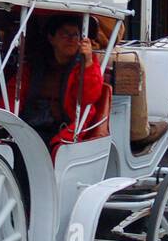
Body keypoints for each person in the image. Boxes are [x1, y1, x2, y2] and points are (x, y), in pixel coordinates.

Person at [13, 14, 106, 151]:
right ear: (51, 39)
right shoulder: (34, 66)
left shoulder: (85, 65)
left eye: (75, 35)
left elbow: (89, 97)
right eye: (64, 34)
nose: (71, 39)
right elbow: (13, 93)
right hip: (31, 123)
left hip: (64, 127)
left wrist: (88, 63)